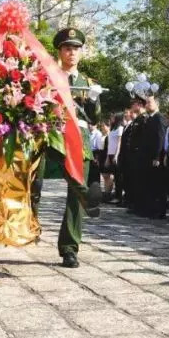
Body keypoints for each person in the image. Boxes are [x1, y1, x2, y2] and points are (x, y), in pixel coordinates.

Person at [46, 27, 102, 267]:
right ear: (60, 51)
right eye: (67, 48)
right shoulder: (49, 77)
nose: (72, 53)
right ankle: (25, 226)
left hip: (79, 138)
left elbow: (95, 117)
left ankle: (70, 247)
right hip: (53, 136)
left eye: (76, 49)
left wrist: (92, 99)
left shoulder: (88, 83)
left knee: (75, 197)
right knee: (33, 184)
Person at [137, 93, 168, 219]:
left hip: (155, 157)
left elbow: (160, 138)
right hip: (146, 156)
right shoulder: (149, 118)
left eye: (150, 102)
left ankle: (158, 210)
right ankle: (148, 208)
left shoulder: (159, 118)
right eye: (147, 102)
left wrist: (157, 156)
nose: (147, 104)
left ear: (157, 104)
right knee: (148, 183)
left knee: (157, 184)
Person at [106, 114, 124, 203]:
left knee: (118, 176)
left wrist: (116, 155)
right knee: (114, 175)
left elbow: (119, 143)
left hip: (116, 155)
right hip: (110, 154)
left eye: (113, 117)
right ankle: (115, 195)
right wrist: (107, 157)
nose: (111, 119)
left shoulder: (120, 128)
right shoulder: (113, 129)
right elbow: (110, 143)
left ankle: (119, 197)